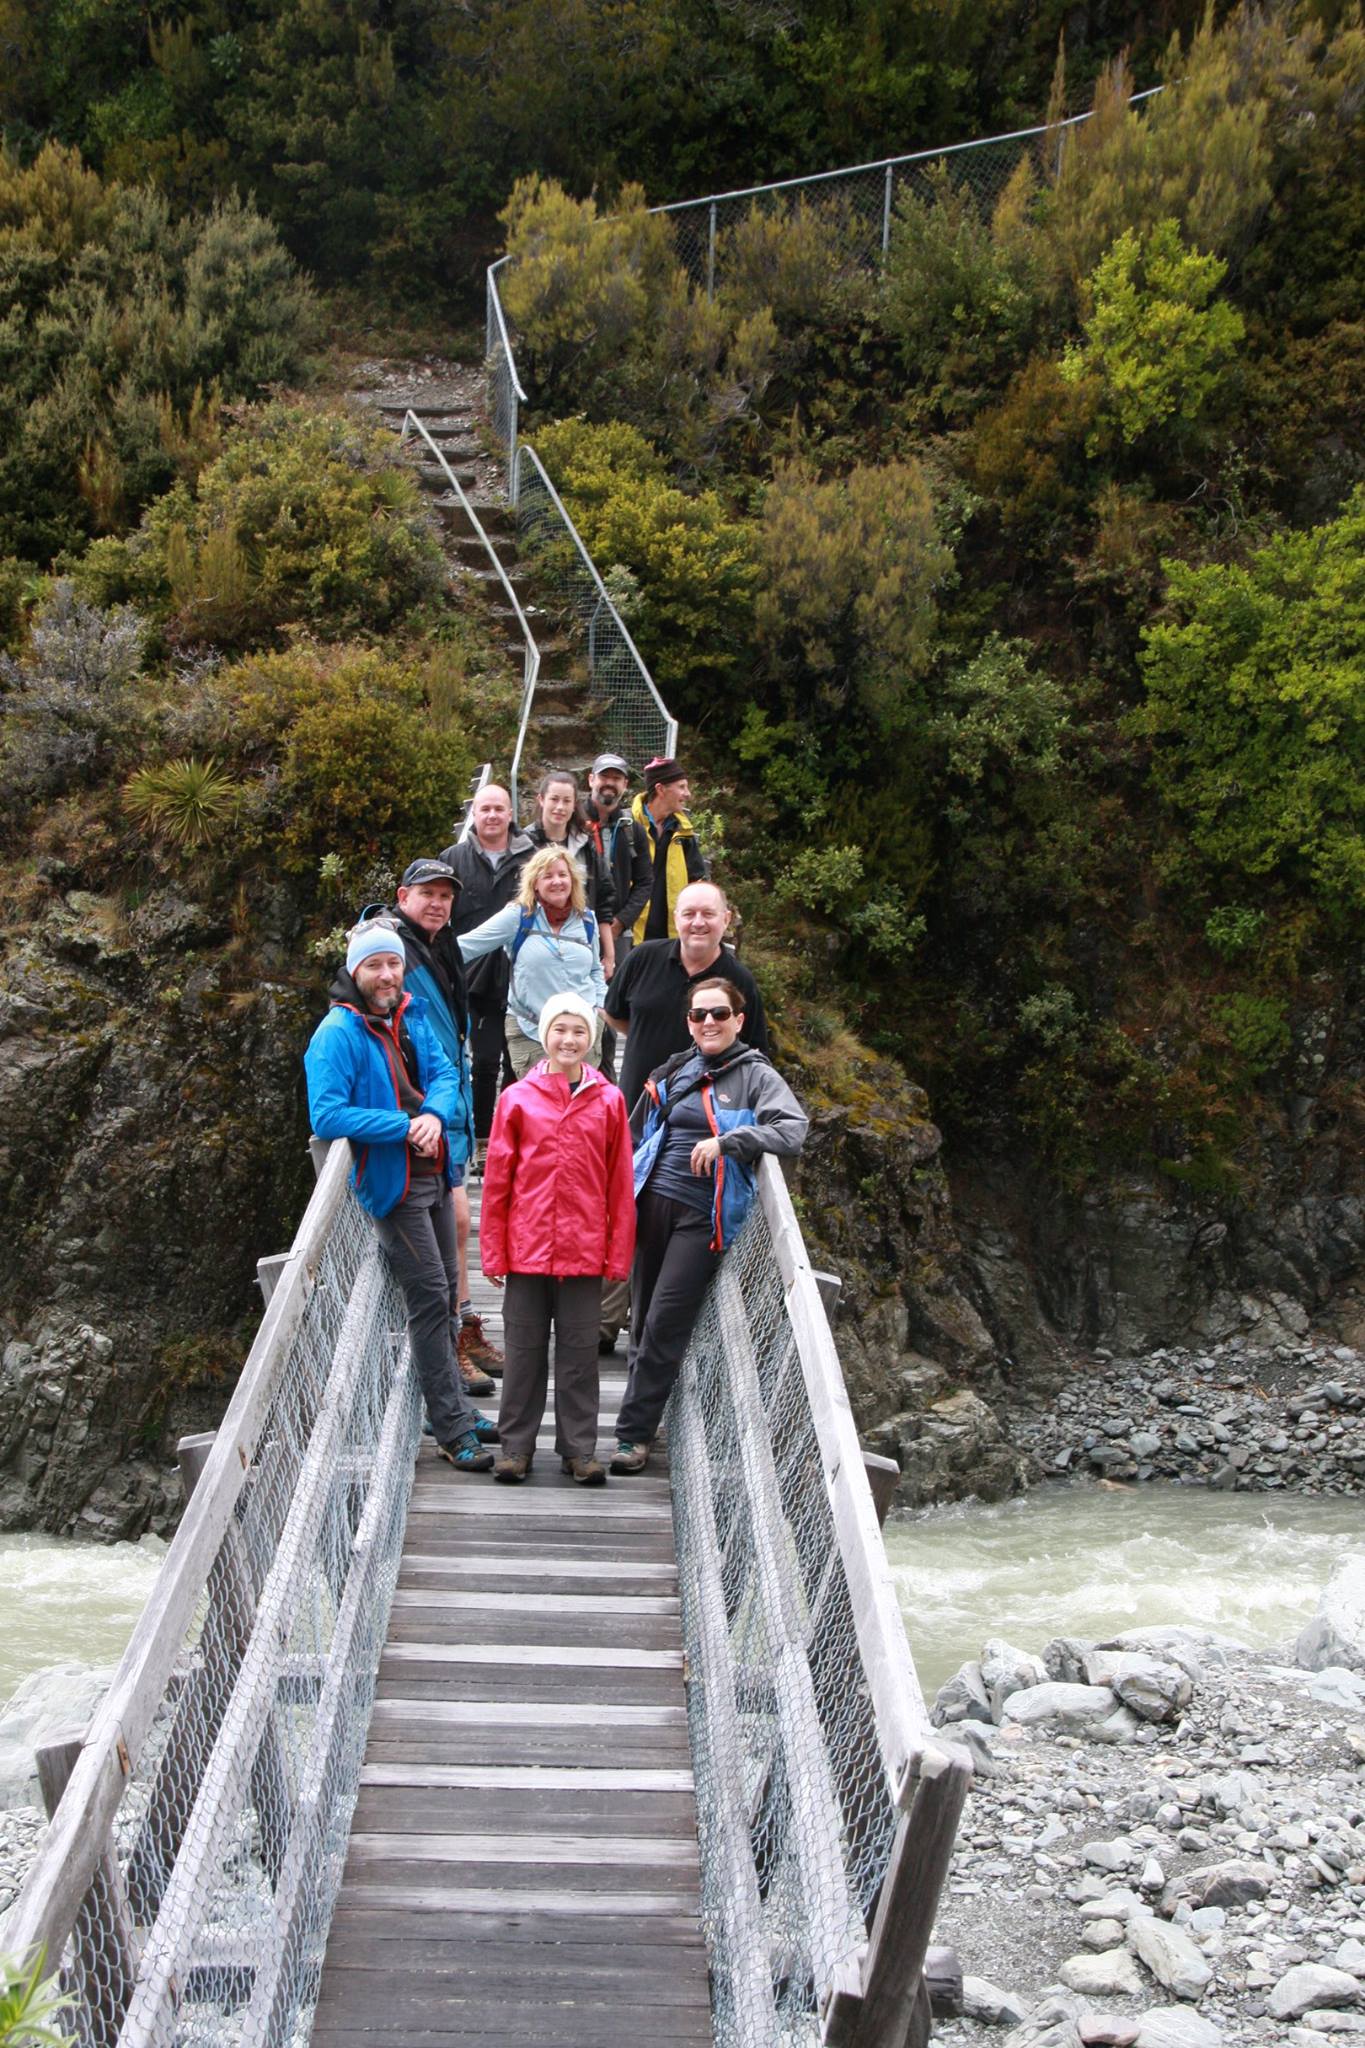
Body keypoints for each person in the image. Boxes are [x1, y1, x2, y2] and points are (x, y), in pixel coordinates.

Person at [303, 924, 497, 1473]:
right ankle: (452, 1426)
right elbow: (326, 1114)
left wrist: (435, 1115)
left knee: (438, 1296)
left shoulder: (408, 1013)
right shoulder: (336, 1033)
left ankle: (451, 1408)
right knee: (433, 1296)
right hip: (395, 1182)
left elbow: (443, 1073)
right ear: (354, 972)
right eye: (374, 966)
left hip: (433, 1171)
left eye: (393, 964)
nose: (387, 975)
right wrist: (403, 1125)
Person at [611, 977, 808, 1474]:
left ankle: (632, 1435)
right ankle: (648, 1415)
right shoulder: (676, 1069)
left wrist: (729, 1142)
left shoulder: (754, 1075)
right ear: (689, 1023)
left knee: (664, 1324)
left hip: (702, 1216)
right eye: (699, 1015)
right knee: (641, 1319)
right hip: (651, 1202)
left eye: (720, 1014)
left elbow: (793, 1129)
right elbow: (635, 1134)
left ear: (739, 1021)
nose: (709, 1023)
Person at [353, 857, 504, 1395]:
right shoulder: (391, 939)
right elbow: (366, 986)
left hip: (446, 1100)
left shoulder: (442, 943)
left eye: (446, 895)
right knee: (457, 1221)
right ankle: (453, 1340)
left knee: (457, 1225)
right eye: (427, 894)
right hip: (417, 1105)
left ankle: (462, 1327)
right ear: (403, 895)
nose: (438, 903)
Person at [480, 992, 636, 1486]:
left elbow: (619, 1184)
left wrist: (617, 1255)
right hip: (526, 1250)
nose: (569, 1040)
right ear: (543, 1036)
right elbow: (498, 1181)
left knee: (578, 1355)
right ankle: (515, 1448)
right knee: (524, 1353)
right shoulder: (516, 1099)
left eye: (579, 1032)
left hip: (583, 1251)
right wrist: (493, 1250)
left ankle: (578, 1449)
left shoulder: (609, 1100)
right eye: (560, 1030)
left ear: (591, 1040)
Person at [604, 880, 769, 1114]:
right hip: (634, 1109)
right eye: (689, 913)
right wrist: (646, 1032)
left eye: (708, 914)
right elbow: (612, 1012)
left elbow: (754, 1054)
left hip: (699, 1124)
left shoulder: (740, 981)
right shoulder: (642, 958)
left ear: (726, 919)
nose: (698, 922)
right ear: (676, 918)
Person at [457, 846, 607, 1079]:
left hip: (581, 1034)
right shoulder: (518, 916)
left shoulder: (586, 919)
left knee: (579, 1108)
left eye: (562, 875)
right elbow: (466, 947)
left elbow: (596, 970)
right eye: (547, 876)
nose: (556, 881)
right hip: (531, 1033)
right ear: (535, 883)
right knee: (542, 1110)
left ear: (573, 880)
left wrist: (599, 1008)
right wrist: (416, 945)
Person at [439, 784, 533, 1147]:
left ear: (511, 814)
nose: (492, 816)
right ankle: (480, 1139)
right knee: (483, 1063)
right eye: (485, 809)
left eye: (499, 809)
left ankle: (511, 1138)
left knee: (519, 1064)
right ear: (473, 815)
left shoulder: (532, 857)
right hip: (473, 979)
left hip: (522, 978)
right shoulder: (453, 858)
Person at [524, 770, 619, 978]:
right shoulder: (523, 846)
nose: (560, 807)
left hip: (581, 946)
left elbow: (603, 901)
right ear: (541, 800)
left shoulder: (586, 845)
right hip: (535, 950)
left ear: (575, 804)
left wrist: (609, 955)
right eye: (554, 799)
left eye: (567, 801)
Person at [631, 758, 707, 942]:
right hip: (631, 933)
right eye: (681, 787)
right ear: (661, 789)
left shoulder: (683, 832)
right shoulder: (628, 826)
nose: (687, 794)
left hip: (670, 936)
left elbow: (697, 880)